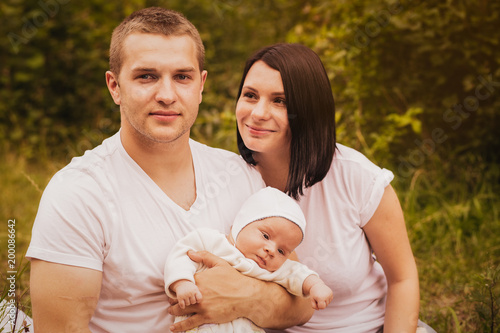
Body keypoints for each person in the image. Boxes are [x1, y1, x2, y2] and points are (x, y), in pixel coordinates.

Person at [26, 9, 313, 333]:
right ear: (114, 86)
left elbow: (302, 303)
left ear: (200, 85)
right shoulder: (78, 194)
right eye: (146, 76)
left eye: (182, 77)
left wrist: (245, 298)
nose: (166, 95)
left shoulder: (239, 175)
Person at [235, 43, 435, 333]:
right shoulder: (229, 178)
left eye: (280, 101)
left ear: (308, 109)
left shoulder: (355, 176)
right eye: (250, 95)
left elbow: (402, 278)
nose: (258, 113)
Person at [165, 187, 334, 332]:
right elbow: (182, 254)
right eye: (266, 236)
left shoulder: (271, 270)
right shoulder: (212, 242)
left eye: (282, 250)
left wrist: (316, 286)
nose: (271, 250)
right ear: (242, 223)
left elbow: (298, 273)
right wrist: (182, 282)